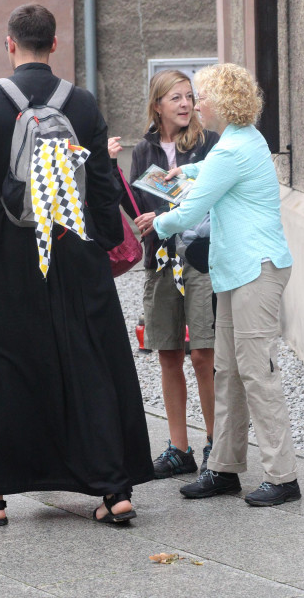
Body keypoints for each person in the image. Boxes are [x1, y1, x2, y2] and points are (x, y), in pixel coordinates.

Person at [0, 3, 154, 526]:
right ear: (55, 45)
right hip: (73, 253)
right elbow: (101, 184)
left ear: (10, 44)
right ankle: (113, 490)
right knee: (89, 365)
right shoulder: (80, 103)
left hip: (3, 260)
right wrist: (99, 245)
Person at [154, 63, 300, 506]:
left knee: (258, 373)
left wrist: (153, 223)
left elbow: (187, 213)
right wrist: (190, 173)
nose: (196, 104)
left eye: (201, 97)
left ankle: (284, 477)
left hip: (255, 269)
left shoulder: (230, 150)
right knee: (229, 372)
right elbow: (215, 177)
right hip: (240, 271)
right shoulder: (243, 139)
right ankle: (223, 469)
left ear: (222, 102)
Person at [109, 69, 219, 479]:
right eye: (176, 98)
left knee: (204, 353)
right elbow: (138, 206)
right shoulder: (145, 150)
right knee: (169, 353)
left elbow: (212, 202)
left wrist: (169, 215)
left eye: (189, 96)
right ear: (158, 105)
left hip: (200, 258)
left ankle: (215, 445)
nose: (186, 104)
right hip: (159, 261)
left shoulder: (210, 145)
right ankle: (179, 448)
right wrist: (111, 166)